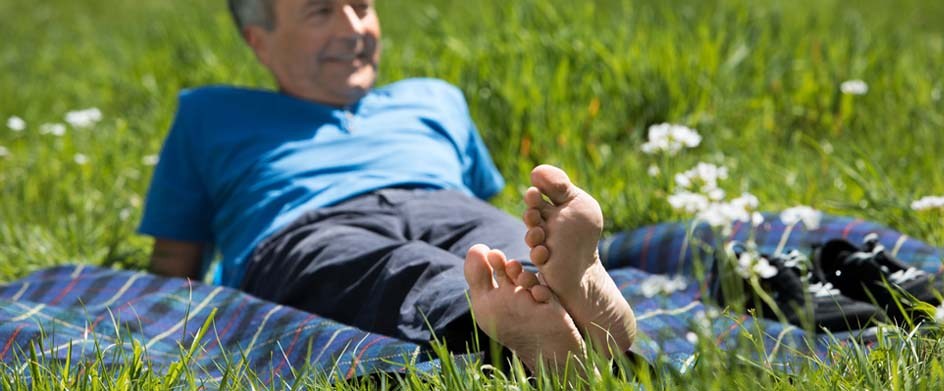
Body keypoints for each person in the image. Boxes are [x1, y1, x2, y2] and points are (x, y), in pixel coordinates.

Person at [139, 0, 636, 372]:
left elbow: (473, 212)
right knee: (399, 269)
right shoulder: (209, 113)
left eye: (361, 5)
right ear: (259, 40)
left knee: (492, 244)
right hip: (307, 227)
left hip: (443, 203)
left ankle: (561, 291)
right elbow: (173, 264)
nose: (353, 28)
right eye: (320, 12)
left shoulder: (434, 97)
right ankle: (531, 319)